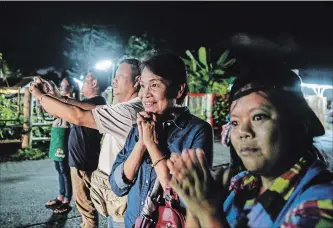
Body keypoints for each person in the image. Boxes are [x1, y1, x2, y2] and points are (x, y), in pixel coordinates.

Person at [167, 67, 333, 227]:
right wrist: (193, 201)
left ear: (299, 124)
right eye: (235, 122)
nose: (243, 132)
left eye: (258, 117)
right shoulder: (243, 184)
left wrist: (207, 211)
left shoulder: (318, 205)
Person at [30, 58, 143, 228]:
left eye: (119, 76)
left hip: (122, 204)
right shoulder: (126, 107)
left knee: (87, 208)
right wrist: (54, 96)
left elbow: (78, 115)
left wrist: (40, 96)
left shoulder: (129, 111)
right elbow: (86, 108)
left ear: (137, 81)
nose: (113, 80)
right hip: (117, 199)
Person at [109, 52, 214, 228]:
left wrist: (152, 145)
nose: (145, 94)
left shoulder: (197, 131)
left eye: (155, 85)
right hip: (134, 224)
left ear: (179, 90)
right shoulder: (140, 127)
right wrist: (141, 143)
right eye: (143, 86)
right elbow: (117, 186)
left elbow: (186, 197)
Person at [30, 71, 107, 228]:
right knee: (83, 204)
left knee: (86, 205)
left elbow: (72, 112)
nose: (82, 84)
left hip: (84, 161)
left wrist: (41, 95)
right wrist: (50, 92)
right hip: (80, 159)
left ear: (94, 84)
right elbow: (58, 109)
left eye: (86, 80)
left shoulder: (97, 102)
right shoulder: (88, 102)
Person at [45, 76, 79, 214]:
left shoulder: (72, 102)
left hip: (66, 134)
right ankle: (60, 196)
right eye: (60, 86)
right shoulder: (59, 100)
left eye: (64, 86)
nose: (61, 89)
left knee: (65, 170)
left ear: (71, 88)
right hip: (57, 133)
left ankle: (66, 200)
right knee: (59, 168)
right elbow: (51, 111)